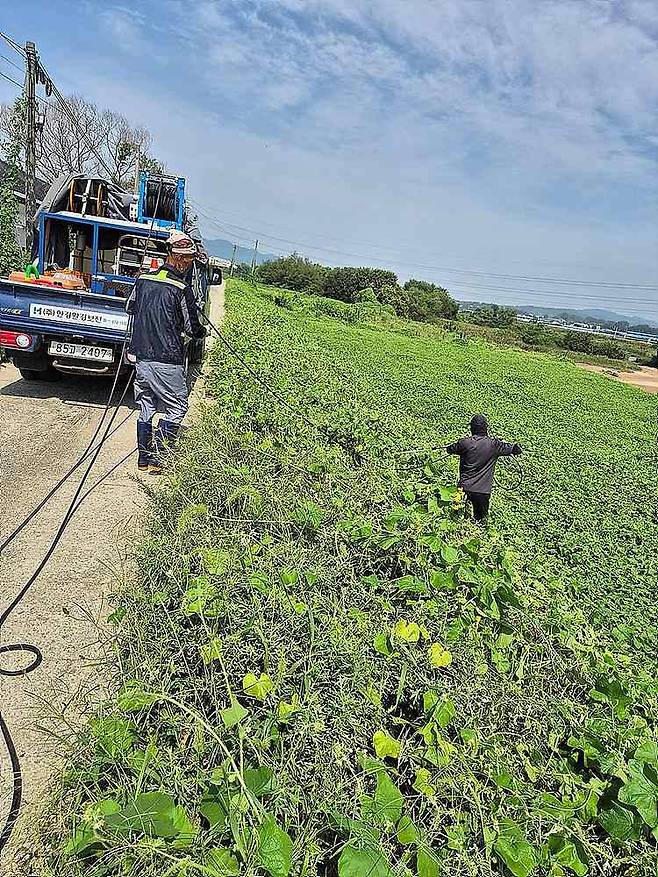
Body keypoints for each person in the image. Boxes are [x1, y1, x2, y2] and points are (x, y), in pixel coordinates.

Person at [126, 231, 207, 474]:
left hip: (141, 356)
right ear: (180, 259)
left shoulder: (142, 279)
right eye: (190, 260)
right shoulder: (181, 288)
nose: (191, 263)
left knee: (146, 406)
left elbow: (130, 307)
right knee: (177, 406)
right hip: (166, 358)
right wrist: (201, 333)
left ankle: (143, 459)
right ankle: (159, 458)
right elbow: (192, 328)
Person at [446, 414, 522, 522]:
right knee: (480, 522)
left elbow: (450, 449)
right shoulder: (494, 445)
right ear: (486, 428)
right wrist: (504, 444)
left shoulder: (465, 442)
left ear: (472, 428)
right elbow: (517, 449)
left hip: (464, 489)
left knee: (456, 520)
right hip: (482, 491)